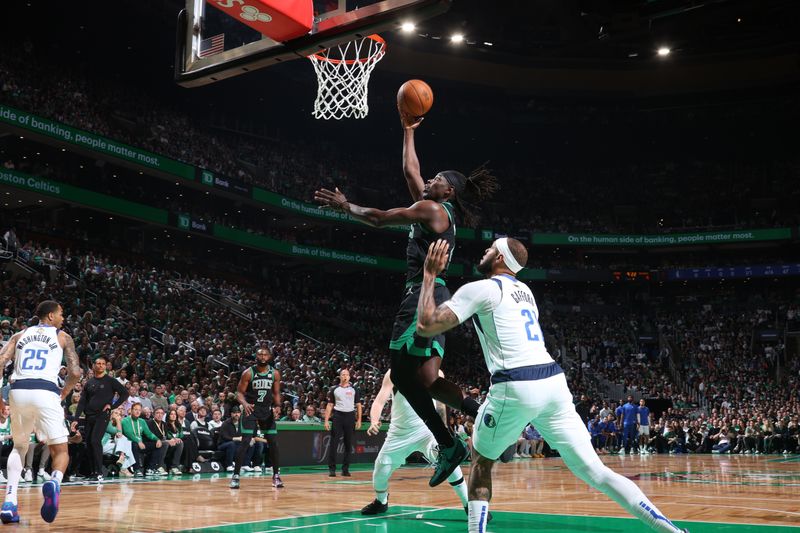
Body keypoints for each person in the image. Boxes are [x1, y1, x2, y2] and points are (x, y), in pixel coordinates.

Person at [415, 239, 689, 533]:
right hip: (553, 384)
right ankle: (672, 530)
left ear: (501, 257)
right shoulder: (526, 293)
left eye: (490, 248)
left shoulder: (483, 288)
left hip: (516, 383)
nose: (484, 251)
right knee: (596, 471)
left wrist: (429, 275)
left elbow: (427, 325)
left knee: (481, 462)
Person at [314, 112, 499, 487]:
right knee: (428, 378)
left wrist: (345, 206)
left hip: (422, 294)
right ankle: (480, 413)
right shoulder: (435, 206)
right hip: (439, 295)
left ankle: (448, 444)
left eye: (438, 180)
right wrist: (408, 130)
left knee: (402, 373)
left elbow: (381, 218)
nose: (429, 180)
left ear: (449, 193)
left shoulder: (432, 209)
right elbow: (411, 171)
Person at [0, 300, 82, 524]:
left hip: (18, 391)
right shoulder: (62, 336)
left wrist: (0, 399)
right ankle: (54, 481)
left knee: (19, 446)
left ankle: (9, 503)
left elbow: (0, 361)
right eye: (61, 314)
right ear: (51, 317)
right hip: (46, 391)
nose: (63, 318)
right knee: (61, 450)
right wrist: (64, 393)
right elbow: (75, 372)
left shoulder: (18, 335)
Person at [361, 370, 475, 520]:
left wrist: (444, 432)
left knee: (449, 462)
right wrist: (374, 420)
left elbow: (440, 406)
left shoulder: (436, 372)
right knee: (379, 472)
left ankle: (469, 505)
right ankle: (382, 501)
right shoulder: (394, 372)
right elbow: (380, 400)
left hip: (426, 432)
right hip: (398, 434)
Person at [230, 347, 282, 490]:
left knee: (273, 443)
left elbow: (276, 393)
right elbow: (239, 393)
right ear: (256, 356)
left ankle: (276, 475)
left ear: (270, 356)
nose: (263, 356)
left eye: (265, 354)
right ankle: (235, 476)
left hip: (267, 411)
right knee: (245, 442)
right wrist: (245, 403)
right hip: (251, 409)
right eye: (260, 354)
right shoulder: (248, 373)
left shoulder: (275, 373)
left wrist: (277, 406)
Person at [72, 355, 129, 482]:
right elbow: (82, 401)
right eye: (98, 363)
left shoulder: (110, 380)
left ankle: (99, 472)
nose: (101, 365)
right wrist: (76, 418)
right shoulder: (89, 382)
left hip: (102, 416)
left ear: (106, 366)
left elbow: (125, 393)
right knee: (89, 443)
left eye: (103, 363)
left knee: (95, 441)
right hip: (89, 416)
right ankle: (93, 472)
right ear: (94, 366)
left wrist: (112, 406)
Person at [324, 369, 362, 477]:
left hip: (350, 416)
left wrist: (359, 420)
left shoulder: (354, 389)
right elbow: (330, 405)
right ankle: (332, 469)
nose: (345, 376)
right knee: (334, 443)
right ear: (340, 376)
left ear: (349, 377)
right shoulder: (334, 389)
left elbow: (358, 405)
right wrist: (326, 420)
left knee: (348, 444)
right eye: (343, 374)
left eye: (346, 374)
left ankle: (345, 469)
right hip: (338, 416)